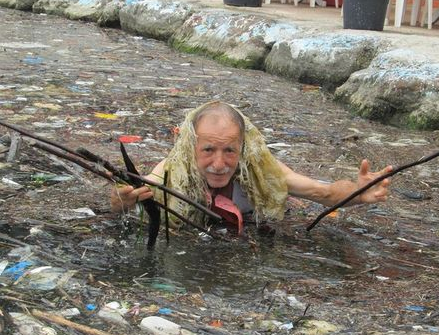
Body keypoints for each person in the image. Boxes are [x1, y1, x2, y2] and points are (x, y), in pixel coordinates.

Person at [110, 101, 391, 232]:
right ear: (192, 148)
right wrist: (121, 199)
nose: (219, 164)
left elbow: (324, 193)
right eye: (208, 150)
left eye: (229, 151)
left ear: (242, 148)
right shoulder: (171, 172)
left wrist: (358, 191)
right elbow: (130, 195)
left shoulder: (261, 171)